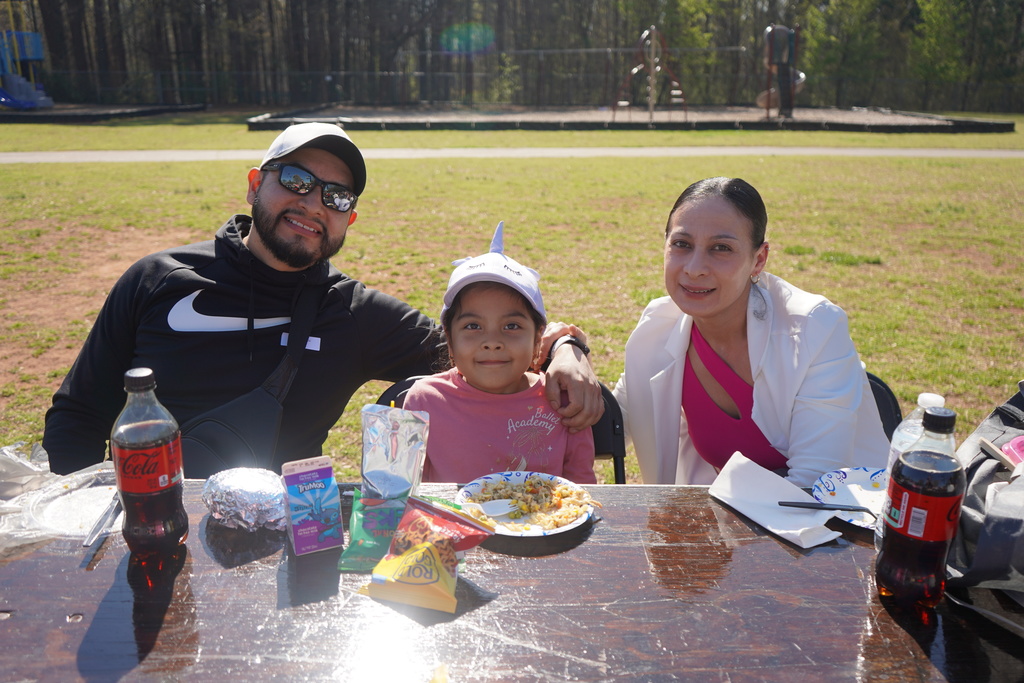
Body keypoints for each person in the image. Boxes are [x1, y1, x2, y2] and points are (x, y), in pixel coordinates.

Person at [43, 123, 602, 476]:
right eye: (296, 179)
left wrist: (567, 348)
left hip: (280, 541)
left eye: (335, 195)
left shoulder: (354, 315)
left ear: (349, 219)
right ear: (254, 183)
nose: (314, 204)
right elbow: (77, 415)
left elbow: (486, 342)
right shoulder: (157, 279)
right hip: (155, 515)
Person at [613, 177, 888, 487]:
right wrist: (566, 349)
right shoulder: (659, 326)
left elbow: (815, 484)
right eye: (682, 244)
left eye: (721, 248)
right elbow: (612, 424)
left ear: (758, 260)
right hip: (725, 524)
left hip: (835, 527)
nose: (694, 267)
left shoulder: (815, 328)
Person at [403, 223, 597, 484]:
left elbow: (581, 494)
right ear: (449, 340)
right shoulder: (424, 401)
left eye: (511, 326)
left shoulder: (563, 402)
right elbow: (399, 494)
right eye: (473, 326)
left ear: (538, 338)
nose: (492, 342)